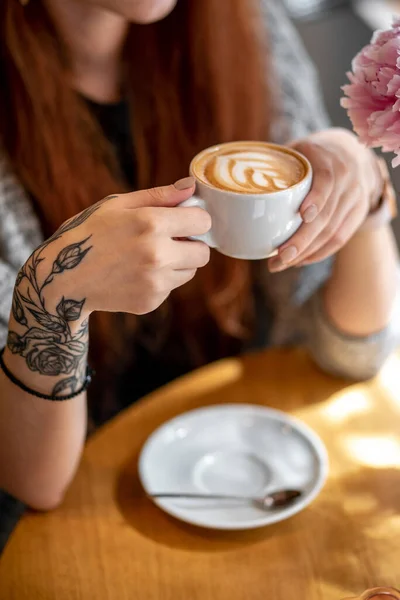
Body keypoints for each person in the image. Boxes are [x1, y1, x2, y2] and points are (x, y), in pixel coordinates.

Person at [0, 0, 398, 514]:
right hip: (89, 508)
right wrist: (51, 297)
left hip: (250, 471)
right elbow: (36, 483)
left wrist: (363, 195)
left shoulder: (245, 21)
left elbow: (352, 353)